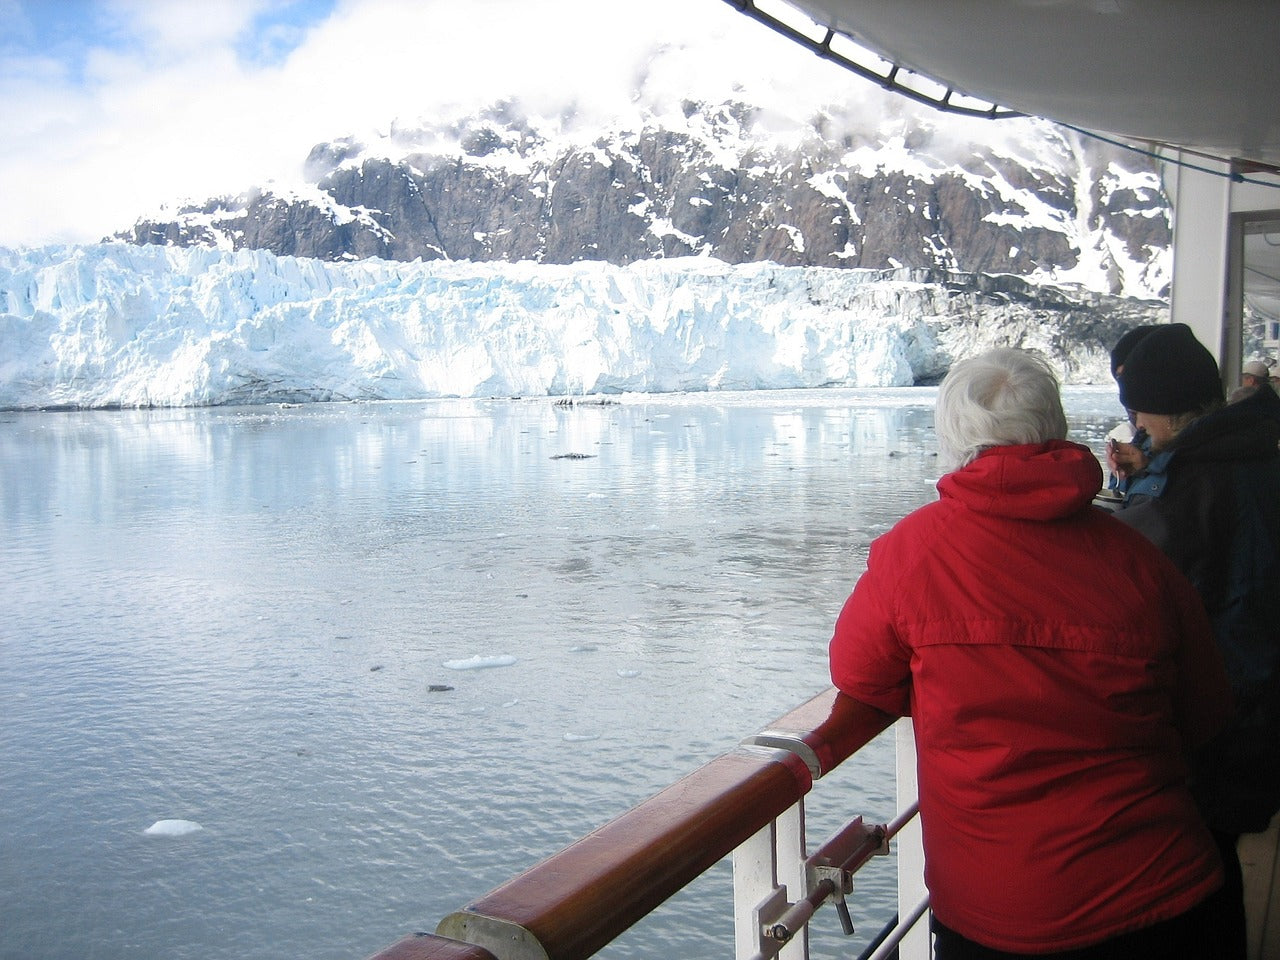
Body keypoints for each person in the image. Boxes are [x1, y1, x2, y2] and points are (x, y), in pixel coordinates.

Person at [829, 347, 1233, 959]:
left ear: (954, 439)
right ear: (1055, 430)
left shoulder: (911, 555)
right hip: (1160, 892)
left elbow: (860, 677)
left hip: (999, 912)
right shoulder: (1139, 559)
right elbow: (1205, 711)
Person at [1114, 323, 1280, 959]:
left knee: (1200, 870)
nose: (1135, 421)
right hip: (1253, 694)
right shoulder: (1245, 454)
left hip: (1227, 712)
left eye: (1140, 409)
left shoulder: (1197, 482)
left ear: (1168, 405)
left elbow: (1136, 573)